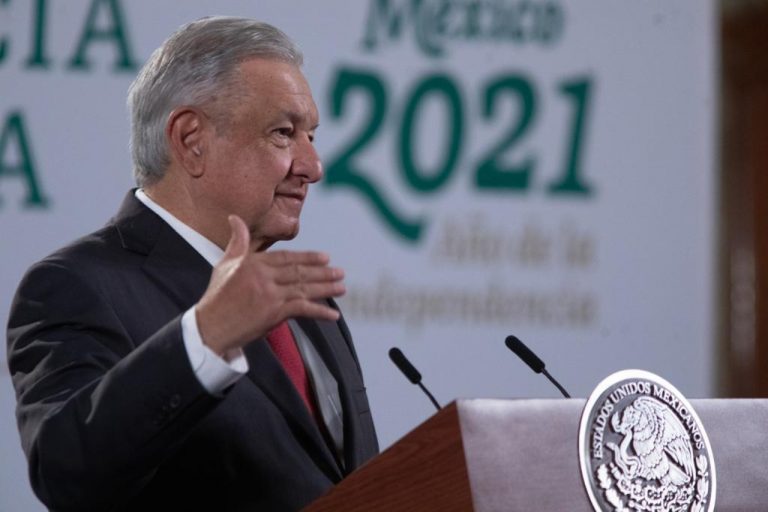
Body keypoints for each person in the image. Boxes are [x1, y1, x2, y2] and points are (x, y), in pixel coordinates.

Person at [6, 16, 378, 512]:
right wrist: (206, 337)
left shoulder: (305, 300)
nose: (313, 166)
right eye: (284, 133)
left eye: (311, 135)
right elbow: (67, 472)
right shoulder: (75, 286)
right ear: (190, 139)